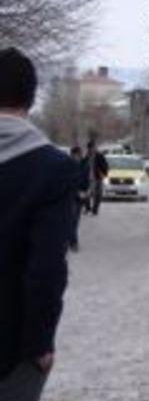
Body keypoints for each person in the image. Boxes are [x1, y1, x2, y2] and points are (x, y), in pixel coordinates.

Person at [0, 47, 75, 401]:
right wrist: (40, 344)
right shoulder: (52, 169)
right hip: (11, 350)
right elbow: (45, 269)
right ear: (30, 99)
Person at [83, 140, 108, 215]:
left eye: (93, 148)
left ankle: (95, 209)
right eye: (90, 148)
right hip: (88, 178)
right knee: (87, 194)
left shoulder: (99, 156)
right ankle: (87, 208)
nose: (92, 149)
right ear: (88, 148)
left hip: (97, 177)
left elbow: (105, 165)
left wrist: (104, 173)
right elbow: (82, 166)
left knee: (98, 195)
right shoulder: (86, 157)